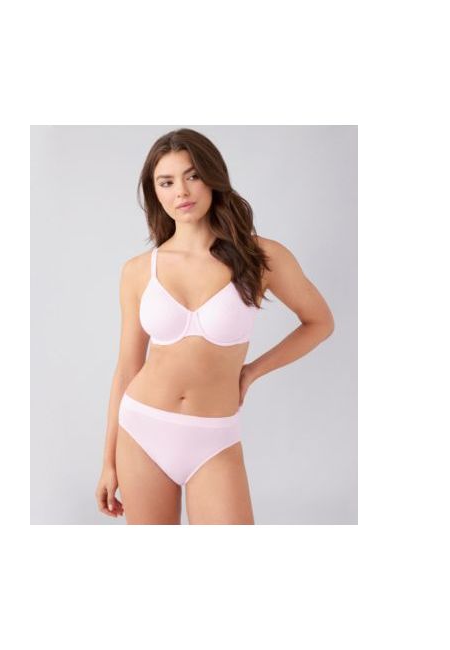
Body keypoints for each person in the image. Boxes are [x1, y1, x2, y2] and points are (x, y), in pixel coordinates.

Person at [95, 128, 334, 524]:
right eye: (166, 182)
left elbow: (319, 322)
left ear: (212, 177)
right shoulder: (138, 271)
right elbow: (126, 368)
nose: (181, 191)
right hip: (141, 429)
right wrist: (108, 462)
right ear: (155, 193)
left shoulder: (261, 257)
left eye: (192, 176)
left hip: (215, 438)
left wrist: (252, 372)